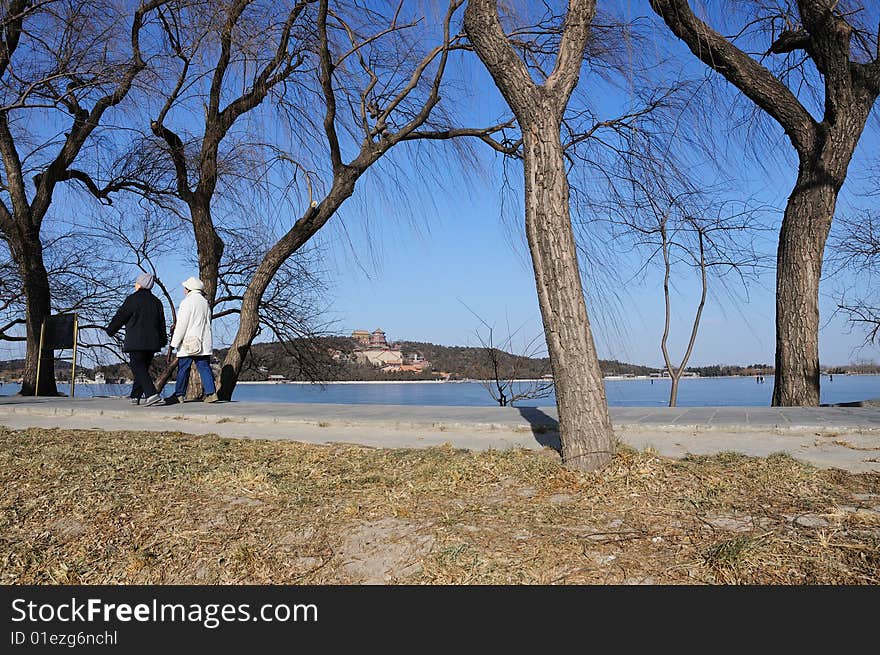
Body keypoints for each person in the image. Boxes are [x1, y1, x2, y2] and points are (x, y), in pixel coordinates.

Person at [106, 272, 167, 406]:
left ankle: (151, 395)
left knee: (137, 367)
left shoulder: (132, 300)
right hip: (152, 342)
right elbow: (161, 323)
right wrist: (163, 340)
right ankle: (135, 396)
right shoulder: (157, 302)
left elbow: (121, 316)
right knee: (142, 368)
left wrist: (110, 330)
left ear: (140, 284)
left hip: (136, 341)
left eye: (136, 282)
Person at [163, 276, 218, 404]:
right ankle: (211, 393)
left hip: (189, 341)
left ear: (189, 289)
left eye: (185, 288)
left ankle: (179, 394)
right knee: (204, 367)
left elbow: (182, 325)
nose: (184, 290)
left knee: (183, 368)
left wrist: (174, 343)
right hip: (203, 341)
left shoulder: (187, 302)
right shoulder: (205, 302)